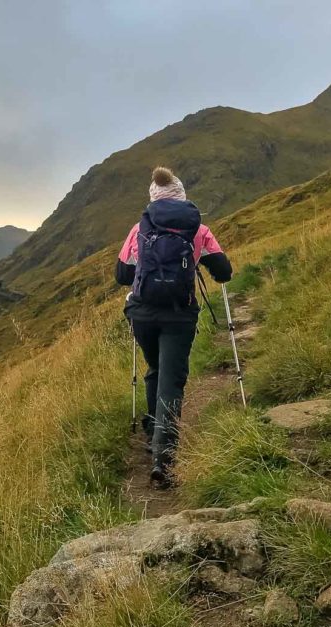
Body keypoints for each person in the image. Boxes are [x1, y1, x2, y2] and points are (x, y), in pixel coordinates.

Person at [116, 167, 232, 488]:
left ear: (153, 199)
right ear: (182, 196)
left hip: (142, 313)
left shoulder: (139, 229)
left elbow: (122, 275)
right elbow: (224, 271)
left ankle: (154, 432)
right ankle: (164, 457)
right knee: (171, 378)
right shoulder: (199, 230)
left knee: (155, 367)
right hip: (180, 315)